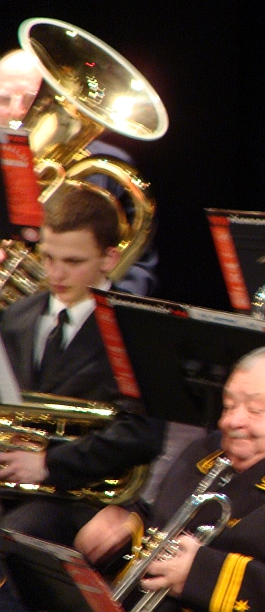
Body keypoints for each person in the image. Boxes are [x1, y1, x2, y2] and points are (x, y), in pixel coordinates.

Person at [73, 345, 265, 612]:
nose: (231, 421)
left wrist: (201, 575)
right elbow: (162, 518)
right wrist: (128, 525)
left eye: (255, 410)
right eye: (229, 405)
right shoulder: (207, 450)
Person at [0, 183, 162, 542]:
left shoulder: (136, 329)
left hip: (78, 496)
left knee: (11, 538)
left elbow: (141, 434)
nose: (56, 274)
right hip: (12, 484)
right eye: (48, 257)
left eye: (73, 262)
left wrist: (48, 463)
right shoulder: (17, 316)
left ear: (109, 259)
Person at [0, 48, 159, 296]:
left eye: (30, 99)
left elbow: (137, 271)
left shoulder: (105, 167)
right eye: (4, 99)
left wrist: (93, 304)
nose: (17, 110)